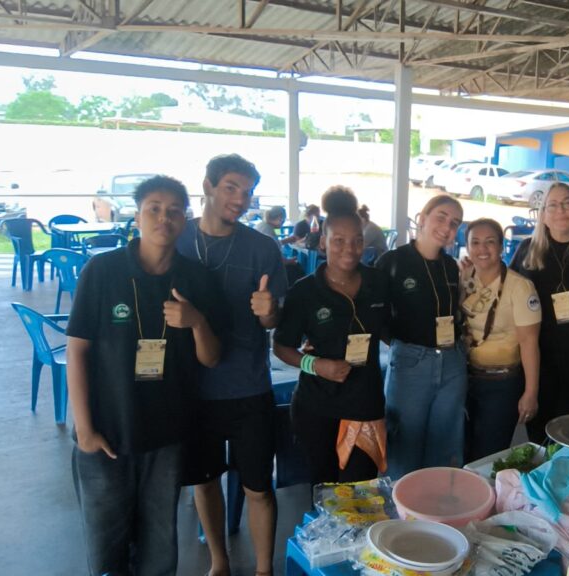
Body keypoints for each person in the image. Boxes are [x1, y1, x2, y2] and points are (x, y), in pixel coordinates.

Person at [66, 175, 224, 576]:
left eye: (174, 211)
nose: (163, 218)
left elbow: (211, 359)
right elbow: (77, 350)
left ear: (185, 220)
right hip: (106, 432)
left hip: (165, 434)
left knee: (159, 547)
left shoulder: (196, 278)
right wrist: (84, 430)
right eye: (153, 208)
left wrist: (197, 322)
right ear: (136, 216)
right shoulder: (102, 271)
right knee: (106, 547)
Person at [176, 154, 288, 576]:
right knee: (205, 482)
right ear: (207, 185)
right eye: (231, 188)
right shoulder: (178, 240)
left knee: (258, 486)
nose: (240, 200)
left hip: (248, 386)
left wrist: (268, 311)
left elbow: (274, 320)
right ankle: (219, 562)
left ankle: (263, 569)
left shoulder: (262, 247)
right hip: (193, 388)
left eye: (247, 192)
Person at [273, 189, 390, 485]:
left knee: (361, 493)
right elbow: (281, 346)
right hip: (317, 407)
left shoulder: (379, 283)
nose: (349, 249)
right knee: (322, 490)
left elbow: (399, 324)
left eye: (357, 241)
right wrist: (316, 365)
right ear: (323, 242)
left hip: (365, 404)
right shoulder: (304, 291)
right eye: (339, 240)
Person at [509, 183, 569, 443]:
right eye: (552, 204)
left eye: (567, 202)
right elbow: (505, 295)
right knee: (540, 441)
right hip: (536, 363)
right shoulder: (527, 251)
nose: (560, 209)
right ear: (542, 215)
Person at [375, 194, 466, 479]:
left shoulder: (451, 266)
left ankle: (436, 510)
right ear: (422, 217)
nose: (447, 227)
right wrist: (404, 347)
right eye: (441, 216)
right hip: (410, 361)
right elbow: (377, 316)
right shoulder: (392, 261)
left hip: (452, 362)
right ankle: (403, 517)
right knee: (404, 445)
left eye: (455, 223)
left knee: (445, 442)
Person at [460, 218, 541, 462]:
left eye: (490, 242)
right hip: (464, 379)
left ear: (501, 246)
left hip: (502, 384)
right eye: (475, 242)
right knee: (461, 448)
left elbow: (529, 343)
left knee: (488, 453)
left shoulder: (521, 287)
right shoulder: (463, 277)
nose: (482, 249)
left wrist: (531, 392)